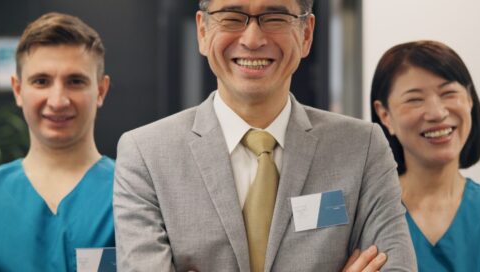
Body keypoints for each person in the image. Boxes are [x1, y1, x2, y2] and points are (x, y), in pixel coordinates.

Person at [113, 0, 416, 271]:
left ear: (306, 34)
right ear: (203, 31)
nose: (253, 39)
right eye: (232, 17)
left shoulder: (362, 148)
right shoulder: (146, 155)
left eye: (275, 18)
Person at [0, 12, 113, 271]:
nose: (58, 100)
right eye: (41, 81)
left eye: (75, 81)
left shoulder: (135, 194)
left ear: (100, 90)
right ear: (17, 90)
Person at [371, 40, 480, 271]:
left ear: (470, 99)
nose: (437, 113)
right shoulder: (367, 216)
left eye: (448, 93)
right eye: (415, 99)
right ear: (384, 115)